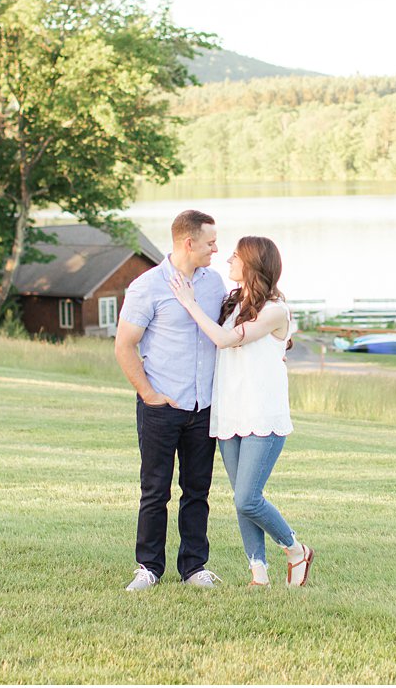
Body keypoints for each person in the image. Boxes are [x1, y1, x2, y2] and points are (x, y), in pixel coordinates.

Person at [169, 235, 314, 588]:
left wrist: (189, 303)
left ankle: (296, 550)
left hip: (262, 414)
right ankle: (258, 574)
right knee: (241, 500)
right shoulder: (232, 301)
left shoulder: (275, 310)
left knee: (249, 498)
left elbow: (224, 339)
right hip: (229, 412)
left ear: (253, 263)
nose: (228, 259)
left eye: (235, 255)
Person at [114, 209, 228, 591]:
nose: (217, 248)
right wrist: (149, 395)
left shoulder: (215, 285)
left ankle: (194, 567)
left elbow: (232, 330)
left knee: (198, 491)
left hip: (203, 408)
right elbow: (124, 345)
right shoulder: (147, 287)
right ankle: (148, 567)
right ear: (188, 243)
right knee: (155, 490)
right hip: (162, 407)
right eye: (211, 242)